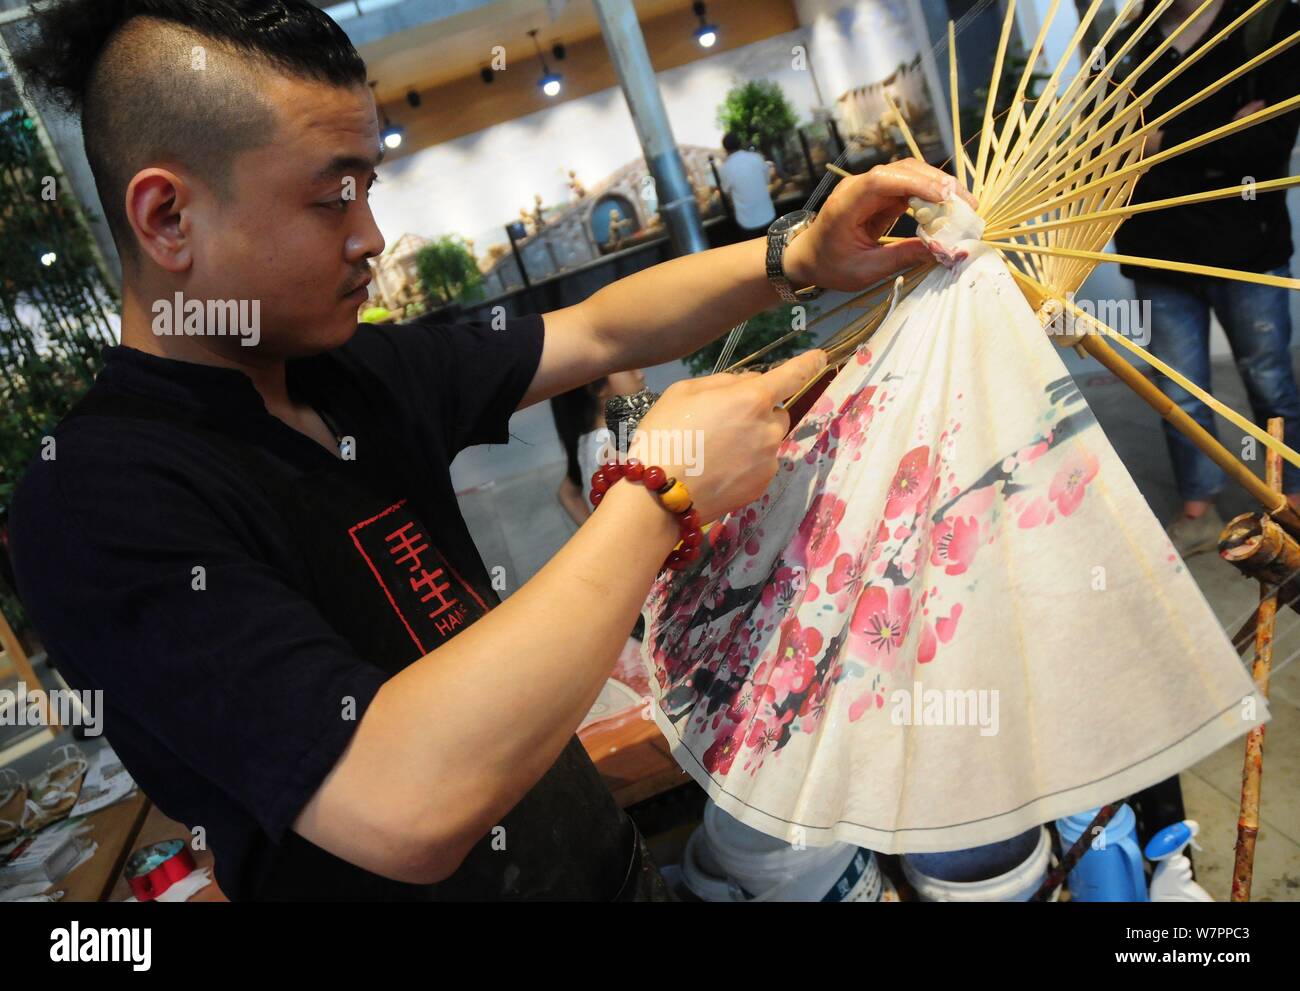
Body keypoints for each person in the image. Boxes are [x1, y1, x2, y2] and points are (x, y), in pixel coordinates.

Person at [7, 0, 968, 900]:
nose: (370, 237)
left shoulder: (343, 366)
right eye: (327, 202)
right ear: (168, 217)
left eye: (367, 191)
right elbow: (402, 802)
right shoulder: (99, 497)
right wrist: (658, 489)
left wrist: (797, 257)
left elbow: (593, 330)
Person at [1113, 0, 1300, 555]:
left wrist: (1165, 141)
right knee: (1176, 388)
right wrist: (1226, 128)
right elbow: (1113, 143)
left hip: (1248, 242)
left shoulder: (1267, 21)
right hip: (1156, 248)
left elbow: (1268, 141)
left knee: (1267, 376)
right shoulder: (1131, 42)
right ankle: (1197, 499)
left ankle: (1288, 490)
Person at [551, 370, 647, 525]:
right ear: (596, 388)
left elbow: (567, 492)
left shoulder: (588, 442)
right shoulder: (618, 448)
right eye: (628, 369)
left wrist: (593, 533)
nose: (640, 375)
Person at [718, 131, 779, 240]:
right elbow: (767, 180)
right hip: (768, 215)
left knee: (755, 254)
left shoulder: (724, 168)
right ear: (740, 143)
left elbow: (726, 192)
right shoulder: (757, 157)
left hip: (747, 222)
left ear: (725, 149)